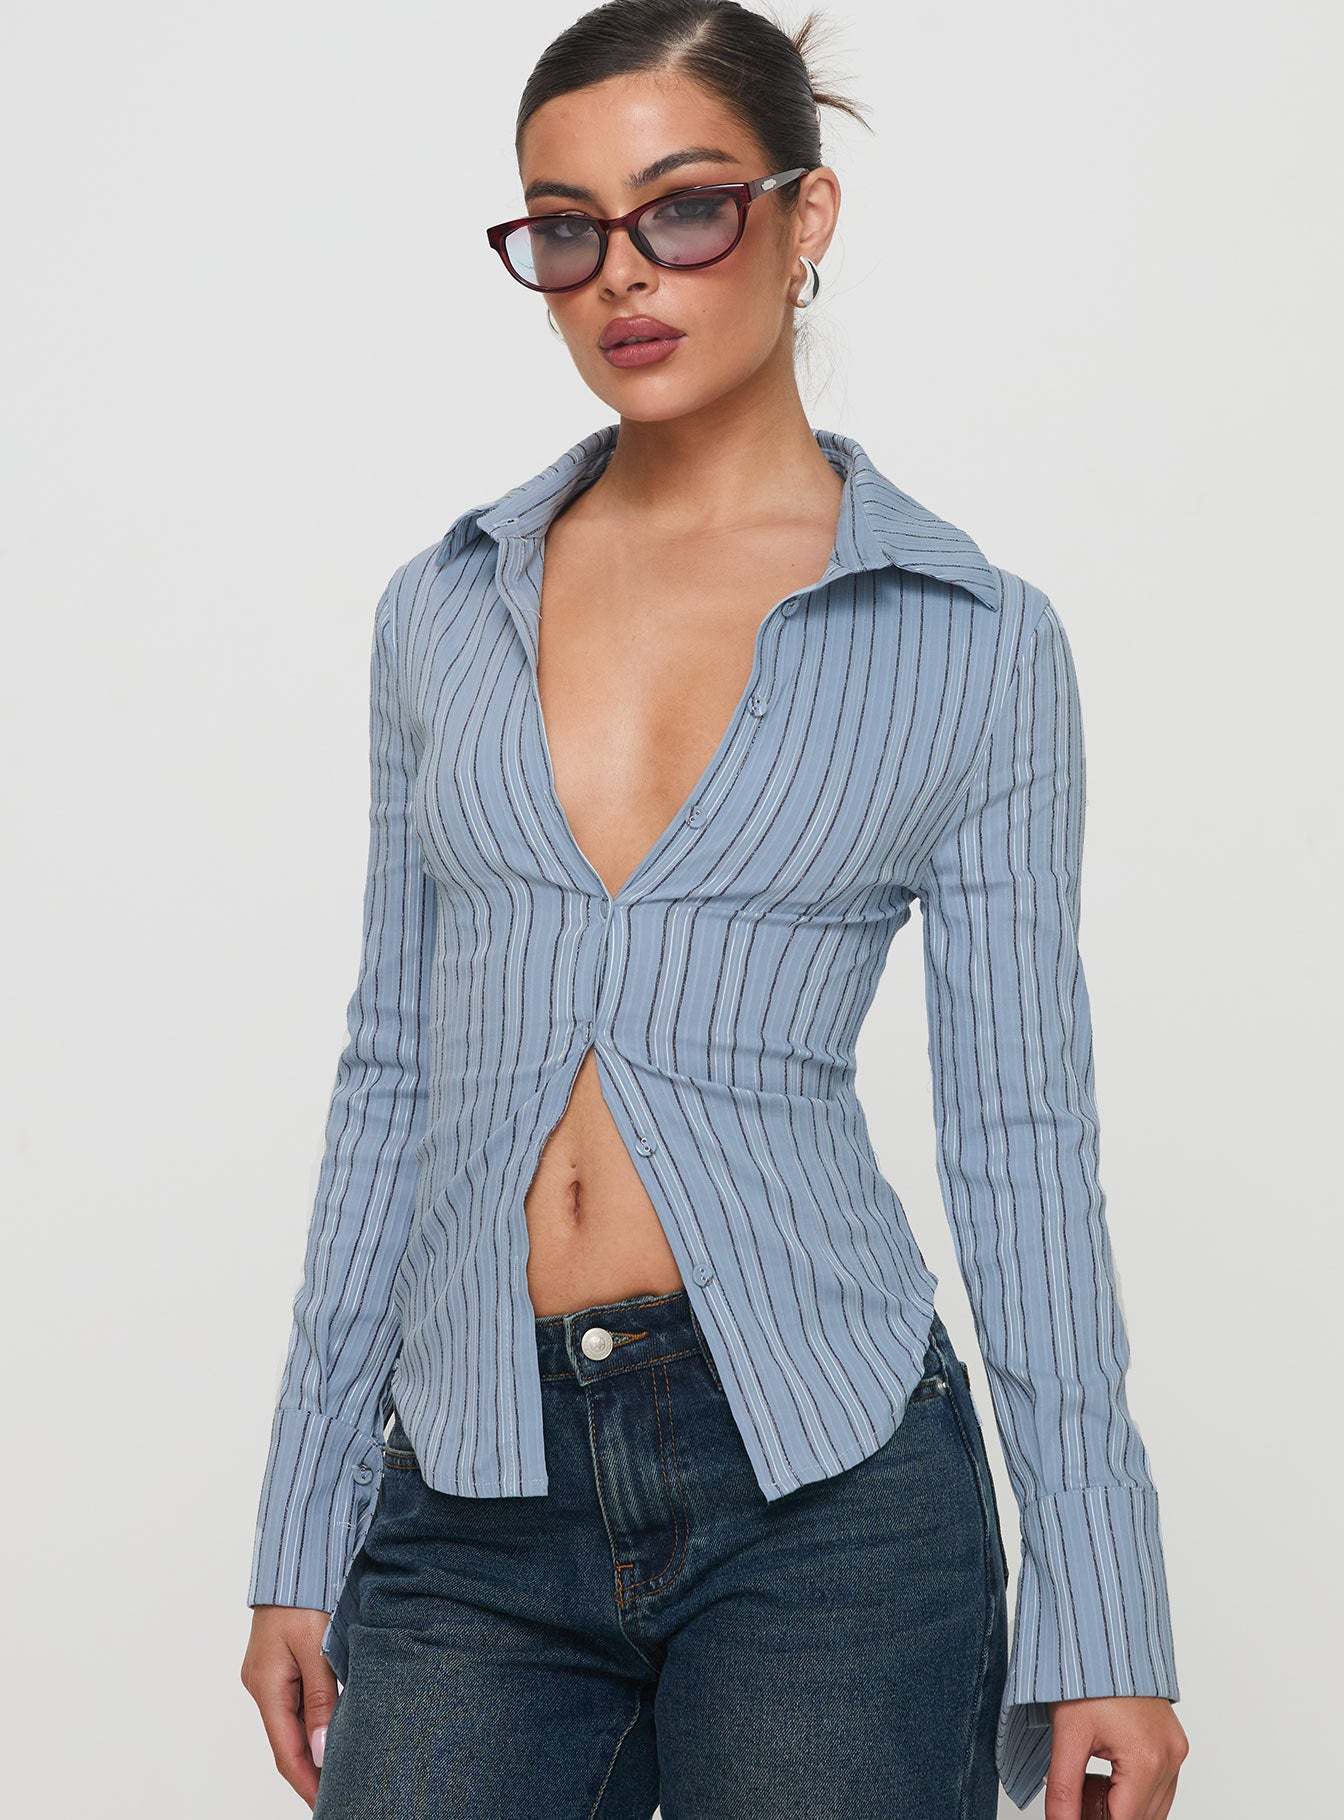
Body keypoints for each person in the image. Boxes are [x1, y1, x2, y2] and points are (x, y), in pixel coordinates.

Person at [239, 4, 1189, 1815]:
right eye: (566, 228)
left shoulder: (975, 642)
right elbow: (391, 1075)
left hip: (828, 1496)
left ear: (804, 216)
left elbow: (1022, 1142)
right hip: (476, 1486)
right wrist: (305, 1516)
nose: (622, 275)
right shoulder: (444, 608)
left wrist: (1106, 1616)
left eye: (683, 209)